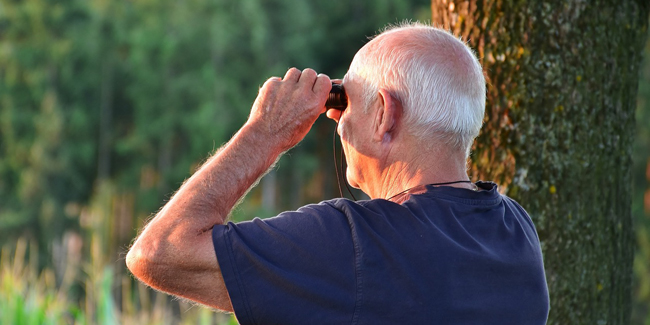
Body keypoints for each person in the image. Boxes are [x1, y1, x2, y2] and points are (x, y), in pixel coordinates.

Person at [126, 23, 550, 324]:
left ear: (384, 115)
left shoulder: (353, 245)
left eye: (347, 102)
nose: (338, 121)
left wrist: (265, 133)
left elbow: (160, 253)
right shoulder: (516, 234)